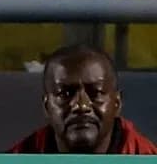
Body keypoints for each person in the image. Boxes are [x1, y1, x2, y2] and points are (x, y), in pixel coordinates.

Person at [9, 44, 157, 154]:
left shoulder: (146, 156)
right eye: (65, 94)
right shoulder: (20, 156)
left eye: (96, 93)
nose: (81, 105)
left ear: (117, 103)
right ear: (47, 107)